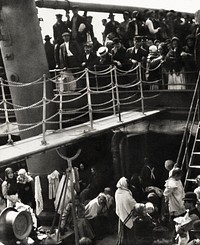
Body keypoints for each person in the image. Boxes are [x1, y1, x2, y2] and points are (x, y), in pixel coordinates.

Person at [115, 177, 137, 245]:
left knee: (123, 230)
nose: (127, 185)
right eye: (126, 184)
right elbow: (131, 202)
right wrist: (136, 205)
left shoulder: (117, 192)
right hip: (125, 213)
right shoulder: (126, 193)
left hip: (122, 214)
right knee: (128, 230)